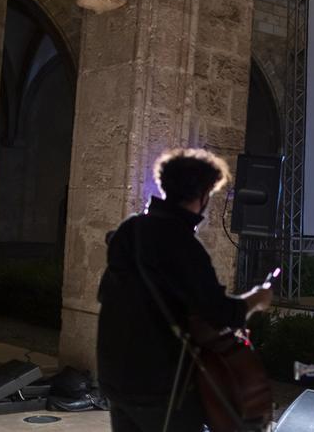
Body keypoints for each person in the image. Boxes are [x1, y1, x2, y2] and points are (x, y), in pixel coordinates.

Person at [97, 148, 274, 432]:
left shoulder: (130, 230)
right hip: (160, 385)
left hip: (114, 375)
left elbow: (107, 293)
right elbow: (220, 313)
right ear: (203, 195)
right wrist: (256, 298)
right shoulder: (184, 246)